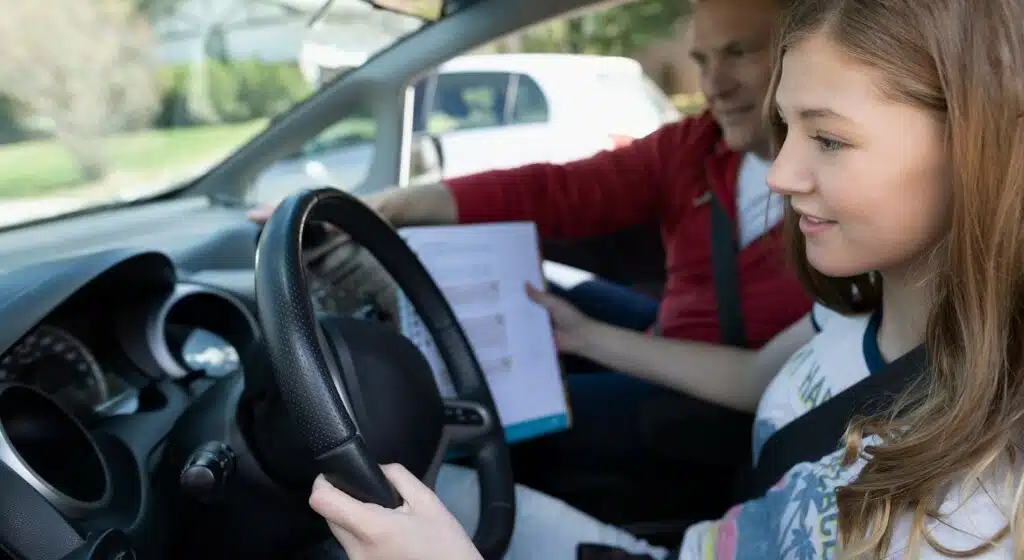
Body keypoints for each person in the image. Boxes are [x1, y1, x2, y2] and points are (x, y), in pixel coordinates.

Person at [307, 0, 1024, 556]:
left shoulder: (975, 507)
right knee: (445, 487)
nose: (781, 174)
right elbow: (751, 378)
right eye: (788, 125)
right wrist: (586, 335)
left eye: (829, 138)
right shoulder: (852, 313)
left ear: (978, 144)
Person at [252, 0, 810, 518]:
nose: (713, 84)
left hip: (715, 401)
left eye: (740, 52)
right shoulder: (696, 147)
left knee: (483, 420)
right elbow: (555, 191)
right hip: (668, 330)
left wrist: (590, 337)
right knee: (539, 289)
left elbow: (763, 377)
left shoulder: (841, 206)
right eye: (701, 59)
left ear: (802, 53)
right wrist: (383, 208)